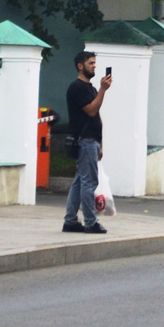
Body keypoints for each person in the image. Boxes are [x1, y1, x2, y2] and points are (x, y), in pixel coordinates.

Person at [64, 50, 111, 234]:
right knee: (88, 183)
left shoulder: (89, 88)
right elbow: (91, 110)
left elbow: (96, 115)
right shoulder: (77, 88)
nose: (94, 66)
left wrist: (100, 143)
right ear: (80, 66)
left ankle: (70, 221)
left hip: (91, 141)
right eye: (91, 63)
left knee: (79, 182)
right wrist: (103, 90)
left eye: (94, 63)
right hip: (84, 141)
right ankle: (90, 223)